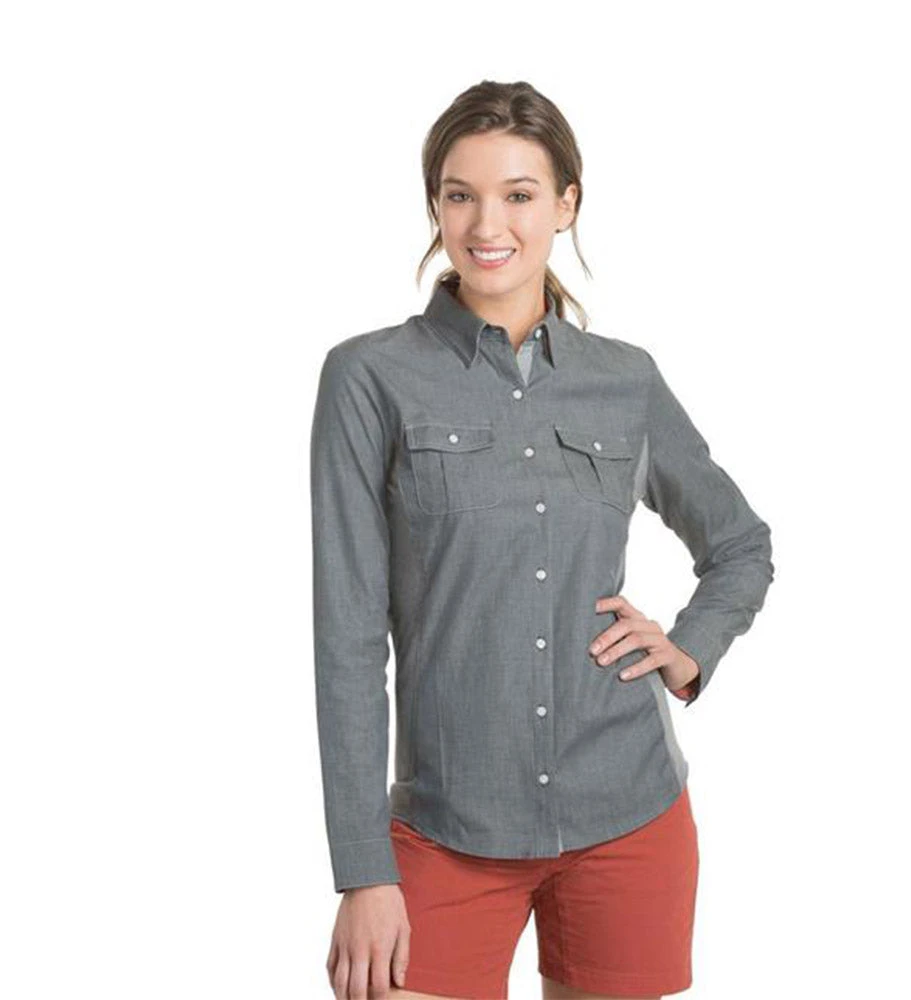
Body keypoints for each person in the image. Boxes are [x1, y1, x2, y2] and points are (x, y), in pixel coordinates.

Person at [310, 80, 775, 1000]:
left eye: (519, 194)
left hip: (630, 813)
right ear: (435, 204)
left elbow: (740, 544)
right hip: (447, 829)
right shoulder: (368, 378)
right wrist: (362, 870)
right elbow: (349, 641)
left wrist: (688, 650)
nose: (488, 223)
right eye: (461, 194)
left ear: (565, 205)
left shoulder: (625, 381)